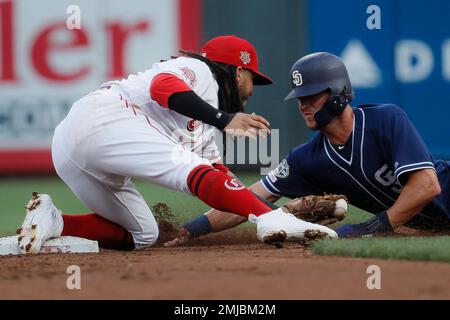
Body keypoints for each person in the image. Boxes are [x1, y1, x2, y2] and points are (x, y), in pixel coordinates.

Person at [16, 37, 337, 254]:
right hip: (104, 117)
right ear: (238, 73)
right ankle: (274, 222)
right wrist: (225, 119)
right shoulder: (203, 71)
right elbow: (162, 85)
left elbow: (216, 176)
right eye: (253, 79)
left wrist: (265, 208)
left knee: (143, 234)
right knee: (193, 171)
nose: (252, 90)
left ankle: (52, 219)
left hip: (70, 149)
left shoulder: (201, 116)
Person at [167, 51, 450, 245]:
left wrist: (370, 228)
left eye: (311, 96)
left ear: (339, 92)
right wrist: (190, 229)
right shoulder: (306, 159)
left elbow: (427, 186)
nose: (303, 105)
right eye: (299, 98)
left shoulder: (386, 119)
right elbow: (246, 198)